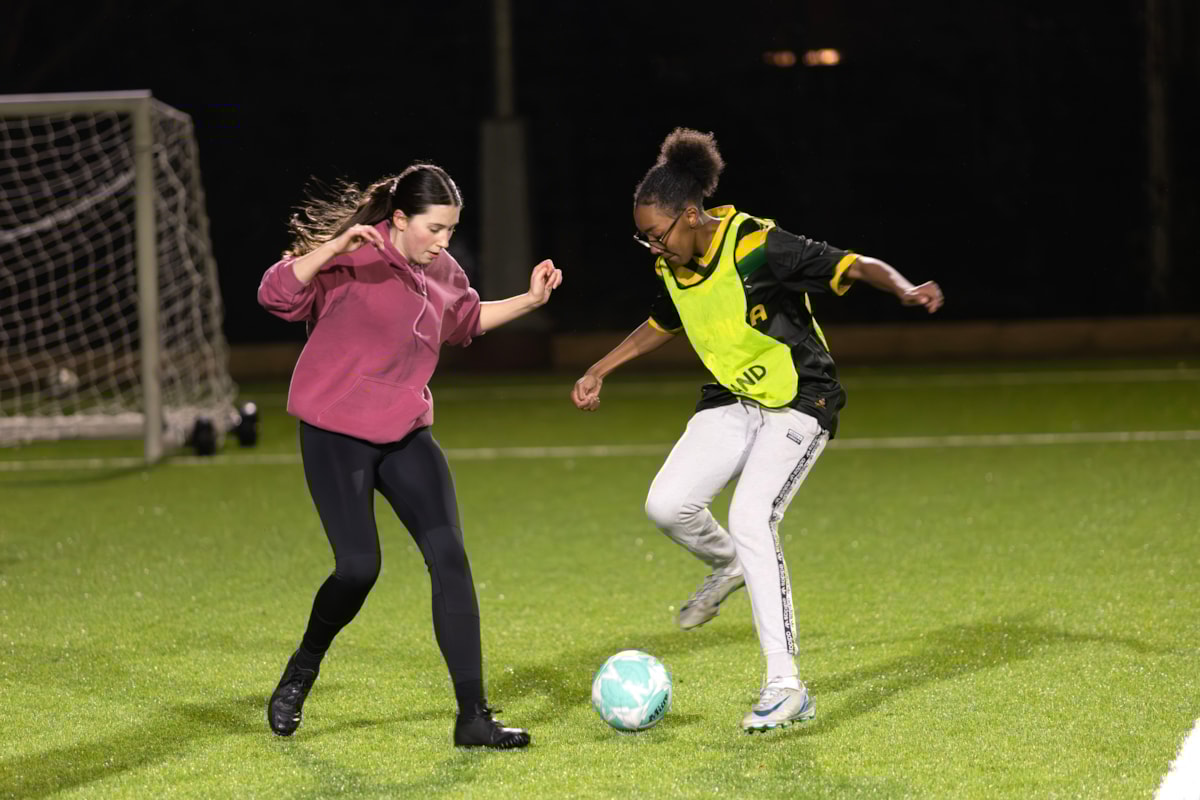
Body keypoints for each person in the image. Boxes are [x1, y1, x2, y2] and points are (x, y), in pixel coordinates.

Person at [570, 129, 943, 733]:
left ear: (691, 216)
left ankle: (786, 685)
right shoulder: (675, 262)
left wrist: (902, 287)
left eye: (658, 234)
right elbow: (666, 321)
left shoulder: (757, 246)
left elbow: (851, 263)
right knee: (667, 505)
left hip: (800, 397)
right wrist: (599, 368)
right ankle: (734, 564)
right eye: (645, 238)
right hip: (734, 398)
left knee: (752, 516)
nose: (653, 247)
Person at [258, 162, 561, 748]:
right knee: (358, 570)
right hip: (335, 433)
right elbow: (275, 295)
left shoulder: (441, 269)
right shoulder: (352, 256)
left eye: (451, 230)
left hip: (405, 435)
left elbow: (466, 319)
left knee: (450, 557)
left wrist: (528, 299)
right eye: (435, 229)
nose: (445, 242)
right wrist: (330, 248)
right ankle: (302, 670)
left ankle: (473, 717)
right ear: (399, 219)